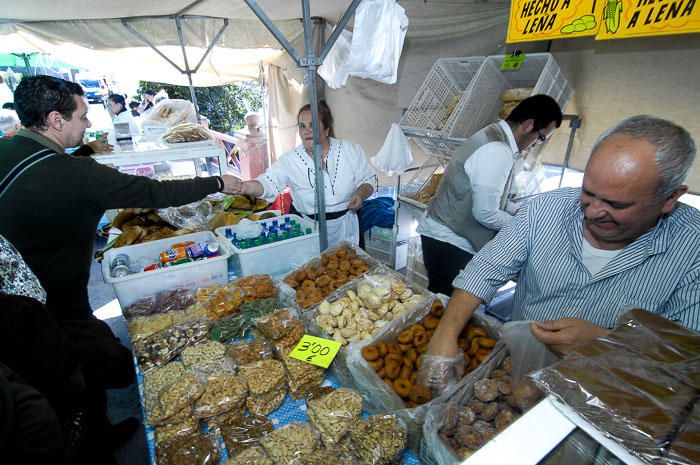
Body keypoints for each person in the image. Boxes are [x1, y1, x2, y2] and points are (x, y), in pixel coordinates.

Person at [423, 115, 699, 387]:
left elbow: (687, 359)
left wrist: (606, 344)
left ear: (669, 198)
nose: (593, 212)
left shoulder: (692, 250)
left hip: (612, 391)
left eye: (617, 205)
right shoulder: (544, 210)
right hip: (518, 369)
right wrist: (446, 333)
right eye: (588, 193)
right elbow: (485, 271)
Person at [0, 75, 241, 322]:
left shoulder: (5, 148)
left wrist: (86, 149)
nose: (89, 122)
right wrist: (218, 182)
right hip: (51, 312)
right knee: (109, 358)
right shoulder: (81, 175)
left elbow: (47, 169)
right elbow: (156, 192)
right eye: (83, 116)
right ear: (56, 120)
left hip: (14, 304)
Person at [417, 94, 563, 296]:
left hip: (444, 235)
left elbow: (492, 197)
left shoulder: (493, 135)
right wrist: (523, 227)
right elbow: (485, 213)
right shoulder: (497, 150)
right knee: (447, 309)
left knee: (442, 302)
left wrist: (521, 212)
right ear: (528, 125)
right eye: (541, 137)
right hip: (450, 241)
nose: (537, 143)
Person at [229, 101, 376, 247]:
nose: (307, 131)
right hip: (308, 227)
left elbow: (368, 179)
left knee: (350, 267)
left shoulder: (350, 151)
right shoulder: (290, 160)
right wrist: (243, 186)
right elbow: (268, 183)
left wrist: (360, 195)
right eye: (302, 126)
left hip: (346, 226)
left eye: (313, 125)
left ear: (326, 129)